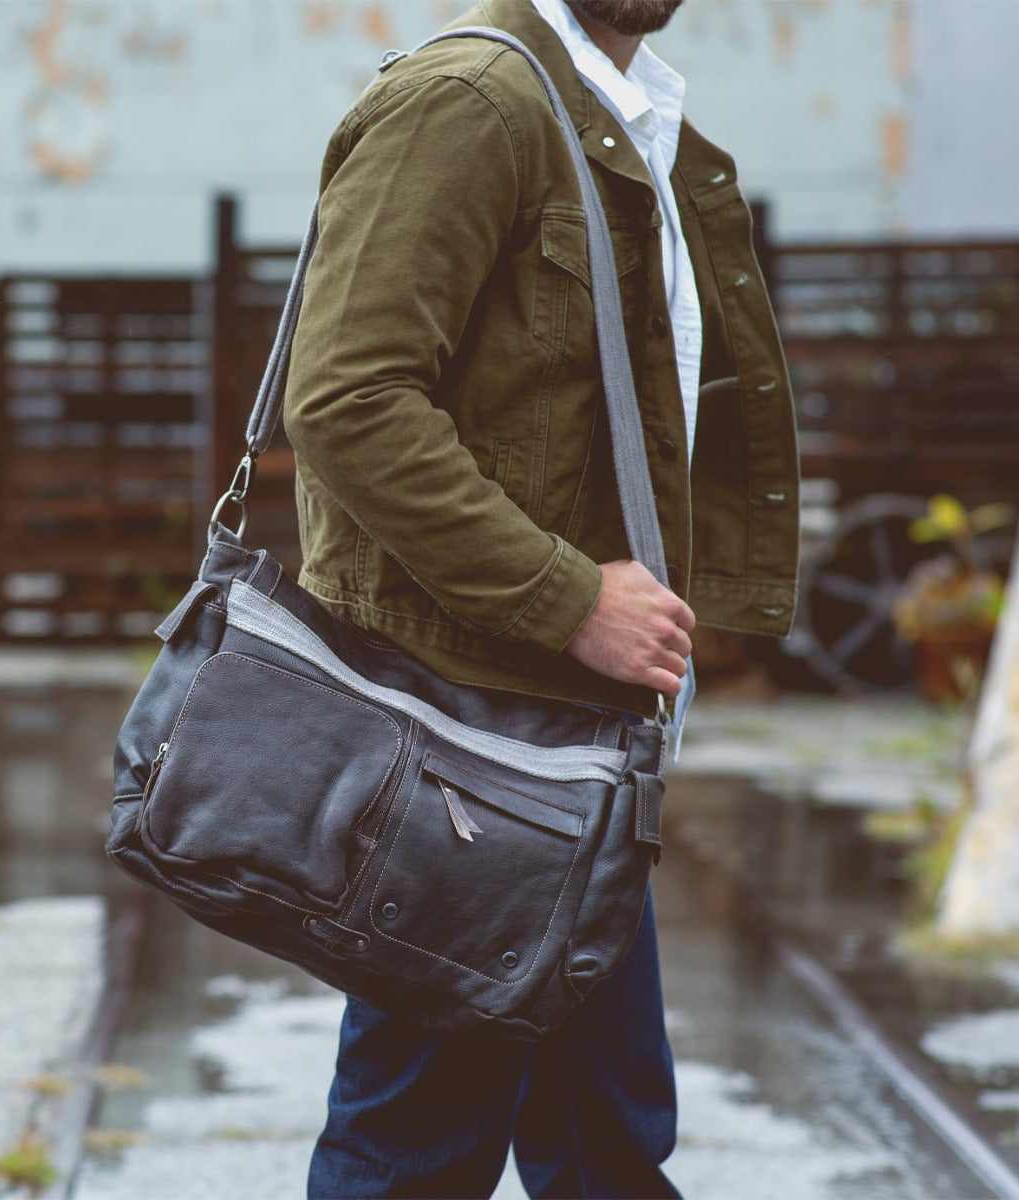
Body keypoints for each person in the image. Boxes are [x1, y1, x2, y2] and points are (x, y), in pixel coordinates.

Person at [283, 0, 799, 1195]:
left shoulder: (630, 118)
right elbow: (347, 402)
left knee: (605, 1141)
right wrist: (568, 598)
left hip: (575, 749)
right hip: (470, 750)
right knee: (415, 1151)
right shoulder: (470, 103)